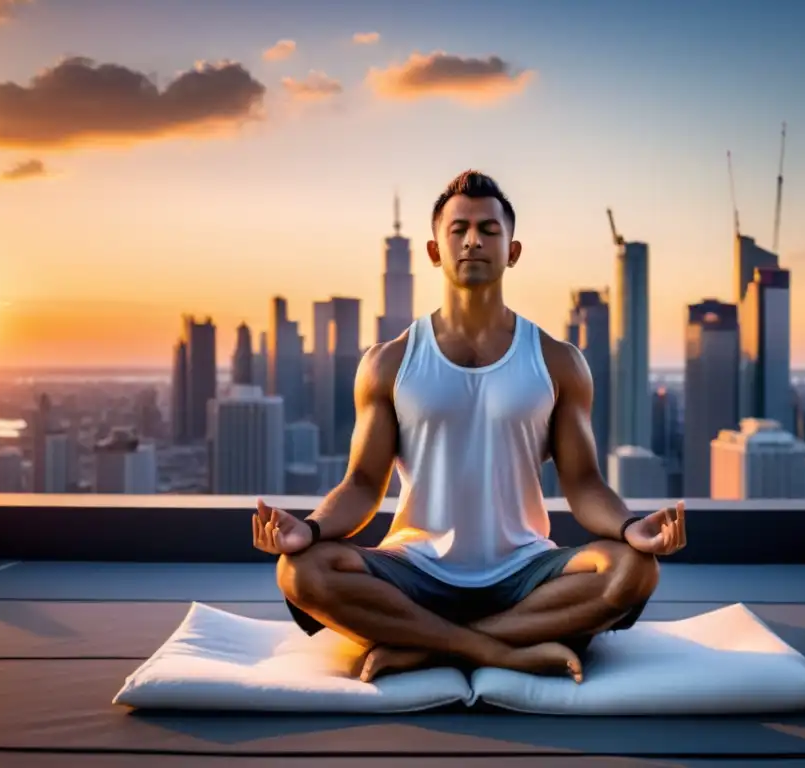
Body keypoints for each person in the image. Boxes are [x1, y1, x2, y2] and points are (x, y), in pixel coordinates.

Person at [253, 170, 686, 684]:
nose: (473, 240)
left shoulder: (559, 361)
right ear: (436, 251)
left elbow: (584, 483)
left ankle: (426, 646)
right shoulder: (388, 362)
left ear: (513, 250)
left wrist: (628, 528)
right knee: (299, 571)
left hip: (523, 571)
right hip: (415, 568)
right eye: (458, 230)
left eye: (489, 229)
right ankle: (502, 649)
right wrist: (312, 528)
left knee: (634, 569)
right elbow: (363, 484)